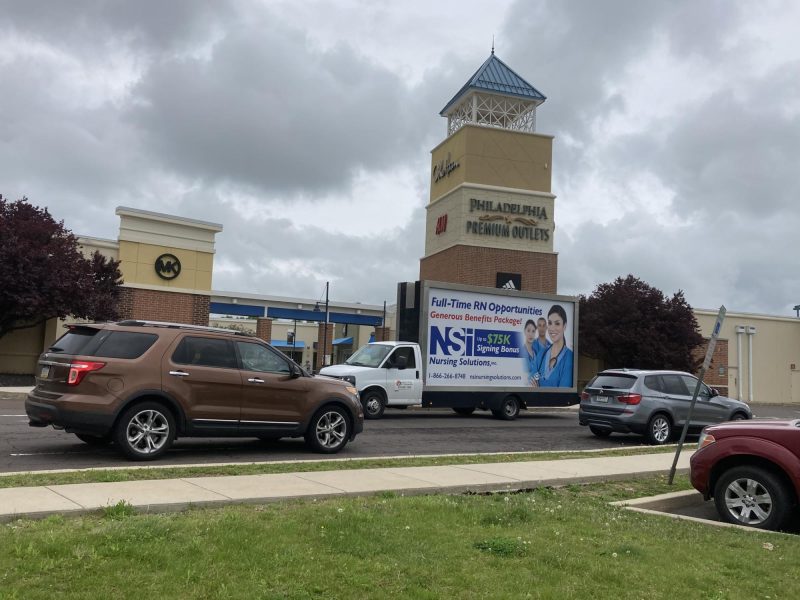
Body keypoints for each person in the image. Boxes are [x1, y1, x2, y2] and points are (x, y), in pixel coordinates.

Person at [531, 305, 573, 388]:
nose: (552, 328)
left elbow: (563, 392)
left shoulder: (569, 357)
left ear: (564, 326)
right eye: (550, 323)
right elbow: (531, 383)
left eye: (557, 323)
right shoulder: (542, 354)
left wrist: (538, 390)